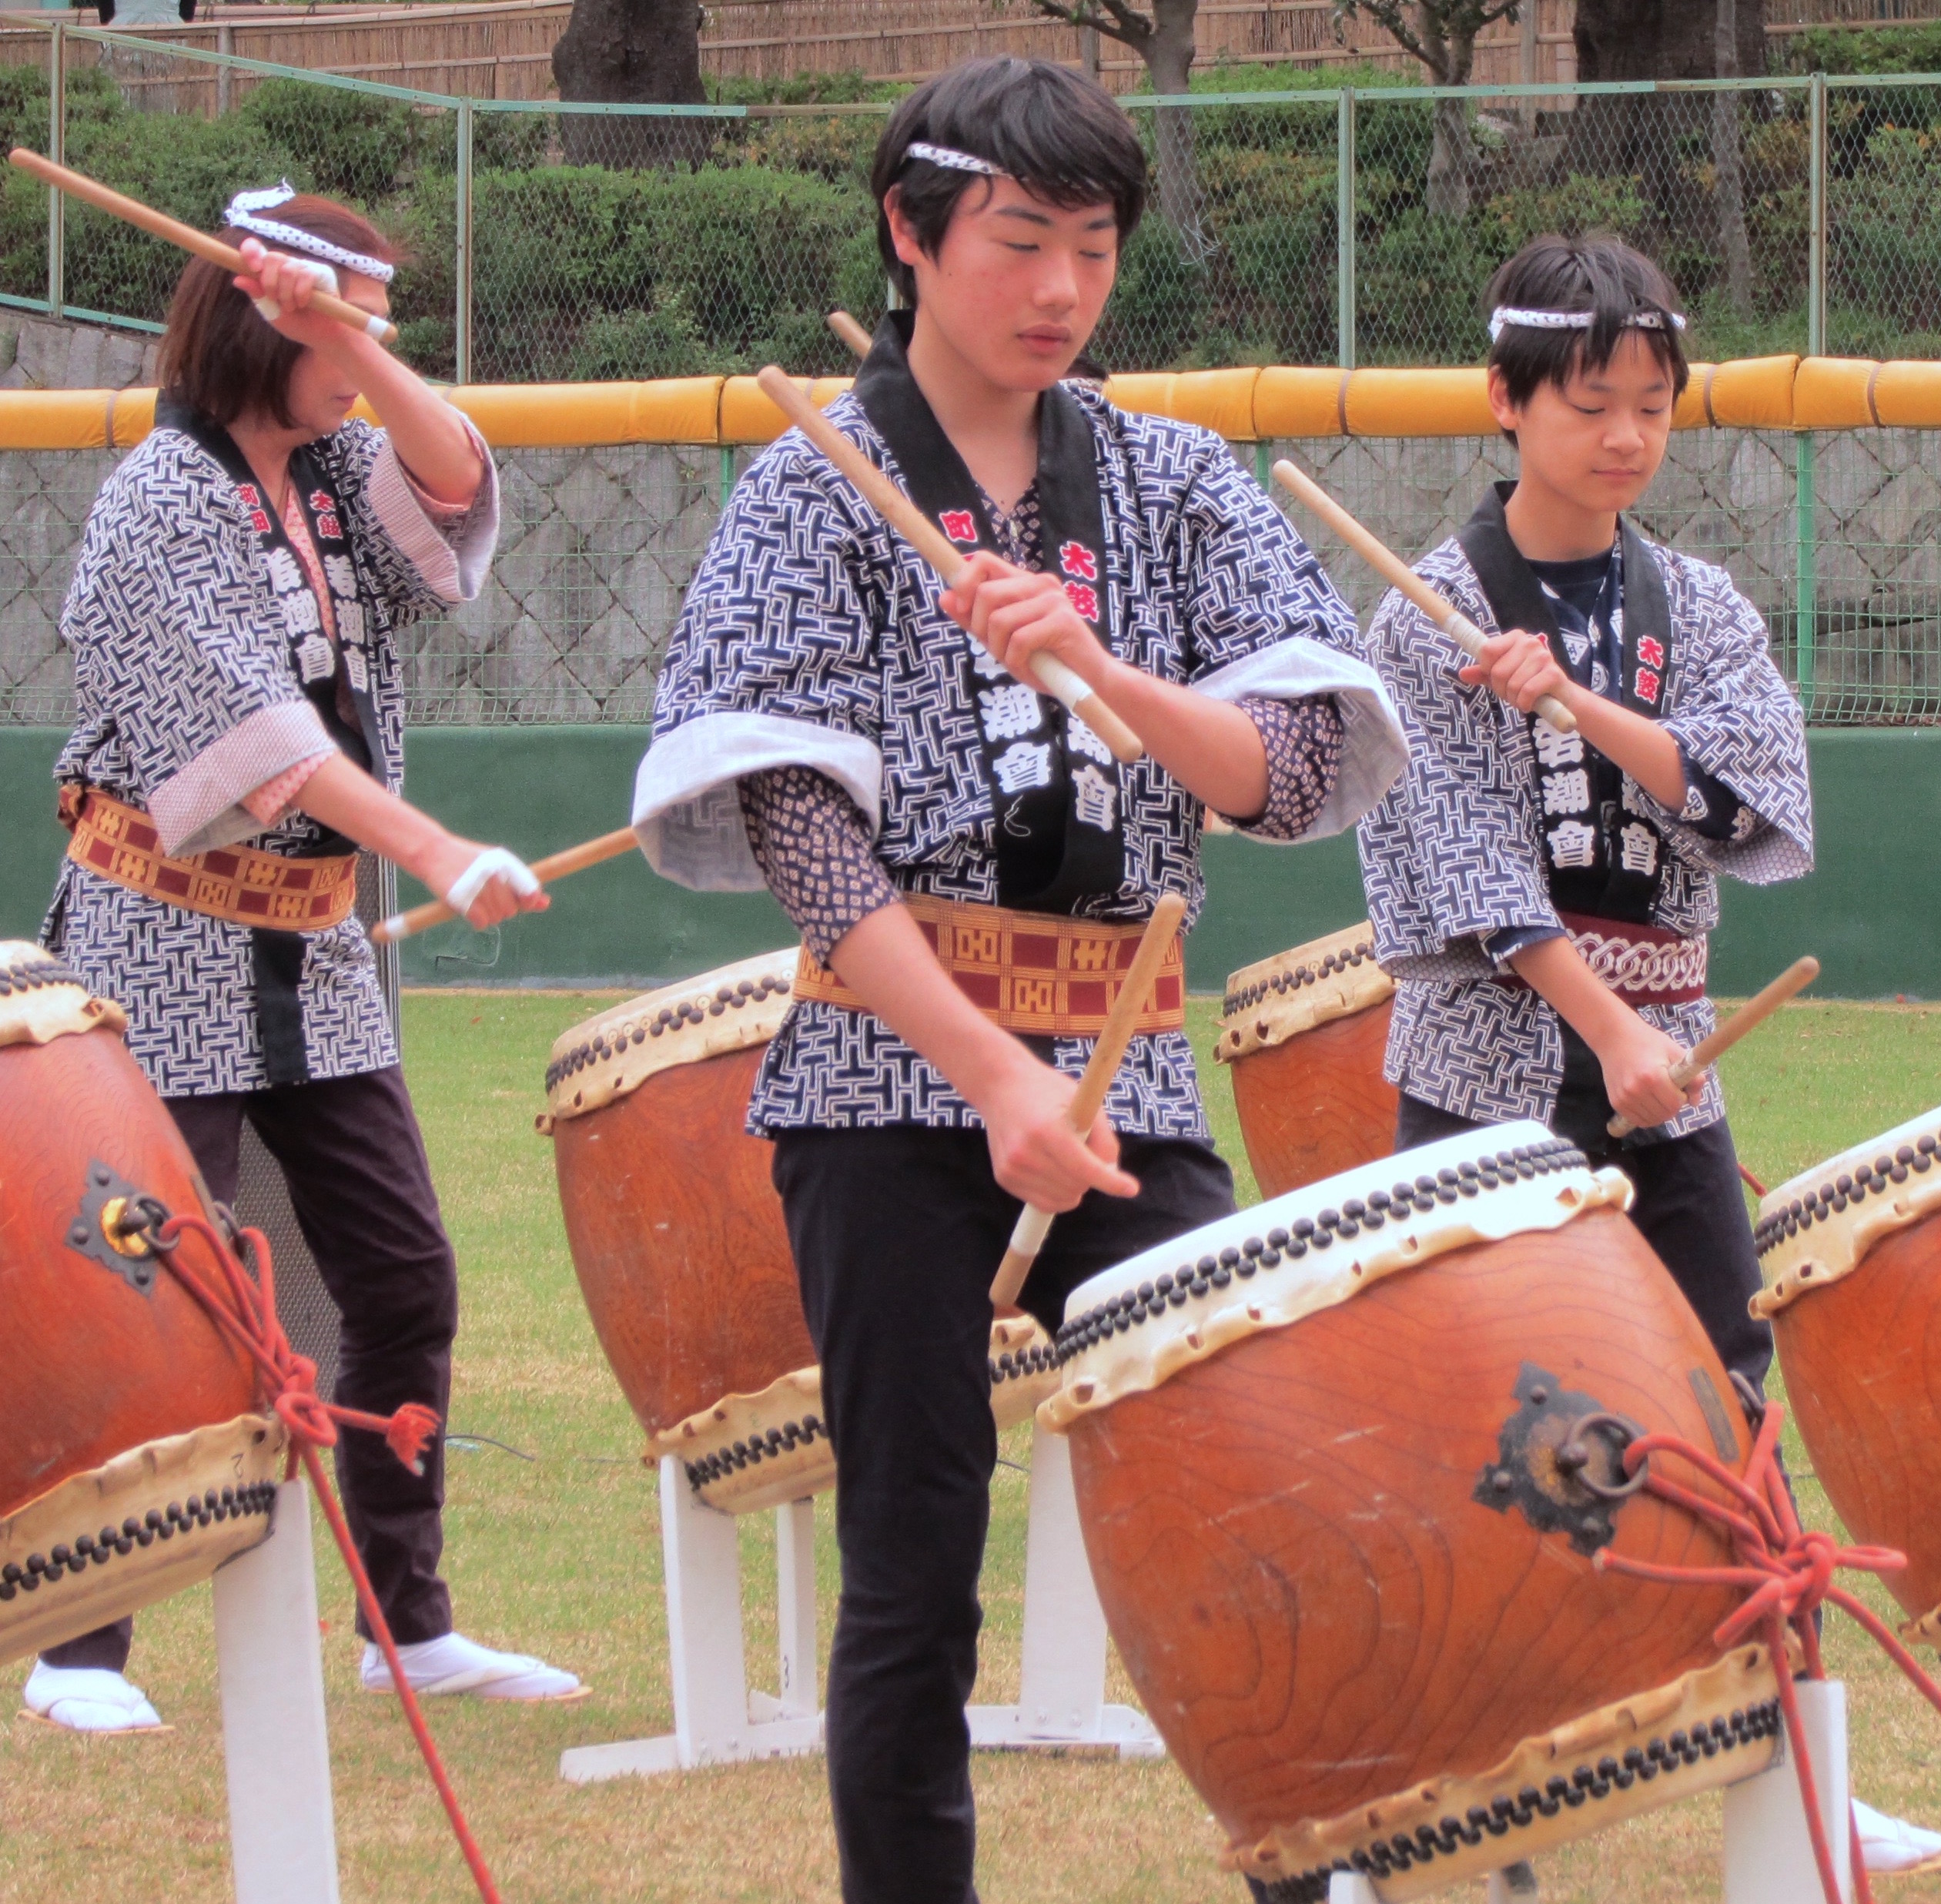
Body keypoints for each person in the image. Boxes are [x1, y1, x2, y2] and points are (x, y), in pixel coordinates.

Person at [630, 59, 1402, 1904]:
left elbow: (1289, 769)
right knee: (912, 1557)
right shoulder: (813, 484)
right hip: (890, 1077)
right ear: (911, 236)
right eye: (1019, 240)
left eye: (1095, 246)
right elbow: (804, 831)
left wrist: (1105, 668)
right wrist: (990, 1077)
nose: (1061, 289)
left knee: (1238, 1493)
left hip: (1125, 1069)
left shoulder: (1172, 479)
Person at [1352, 236, 1941, 1873]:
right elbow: (1454, 866)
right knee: (1477, 1414)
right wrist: (1606, 1029)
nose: (1624, 437)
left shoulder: (1701, 604)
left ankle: (1799, 1764)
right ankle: (1449, 1772)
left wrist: (1580, 707)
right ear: (1505, 401)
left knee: (1726, 1393)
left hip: (1673, 1054)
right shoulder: (1422, 614)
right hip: (1491, 1062)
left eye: (1651, 406)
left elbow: (1759, 796)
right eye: (1589, 404)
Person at [34, 186, 581, 1732]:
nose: (364, 364)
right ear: (256, 320)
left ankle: (406, 1624)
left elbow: (453, 486)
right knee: (141, 1290)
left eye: (374, 335)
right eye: (344, 333)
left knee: (402, 1276)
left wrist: (350, 333)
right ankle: (77, 1651)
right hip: (159, 933)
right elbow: (257, 746)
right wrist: (439, 849)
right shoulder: (157, 502)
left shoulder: (336, 470)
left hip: (311, 951)